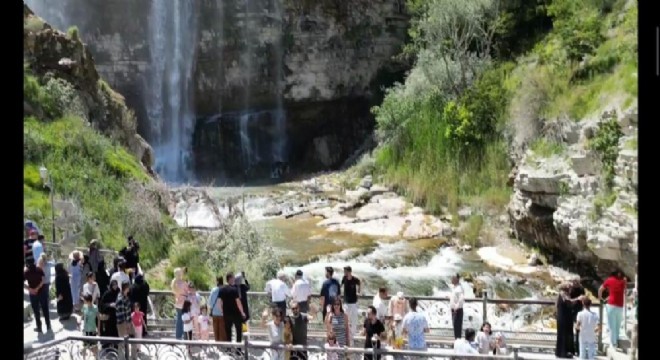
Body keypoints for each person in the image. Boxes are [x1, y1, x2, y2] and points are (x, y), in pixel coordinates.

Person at [598, 270, 627, 349]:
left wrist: (601, 298)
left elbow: (601, 289)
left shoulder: (609, 280)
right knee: (616, 325)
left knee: (613, 325)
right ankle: (615, 342)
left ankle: (614, 342)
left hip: (612, 305)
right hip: (619, 306)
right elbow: (625, 292)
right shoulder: (623, 281)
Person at [25, 262, 51, 333]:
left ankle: (39, 327)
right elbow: (43, 280)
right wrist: (37, 288)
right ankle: (48, 325)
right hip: (42, 292)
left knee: (36, 311)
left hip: (33, 294)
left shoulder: (26, 272)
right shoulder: (39, 269)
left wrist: (30, 289)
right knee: (45, 308)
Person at [222, 272, 247, 342]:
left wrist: (222, 311)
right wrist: (242, 313)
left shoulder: (222, 289)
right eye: (233, 277)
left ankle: (229, 349)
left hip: (226, 314)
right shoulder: (235, 289)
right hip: (236, 314)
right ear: (230, 279)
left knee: (228, 332)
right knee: (238, 331)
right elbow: (238, 303)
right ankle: (238, 350)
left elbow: (219, 302)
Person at [555, 283, 575, 358]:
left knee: (565, 334)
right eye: (570, 287)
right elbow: (568, 301)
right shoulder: (563, 293)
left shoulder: (565, 294)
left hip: (565, 316)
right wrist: (578, 299)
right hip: (563, 317)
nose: (571, 288)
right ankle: (563, 353)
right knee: (563, 334)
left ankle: (562, 352)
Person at [341, 266, 361, 340]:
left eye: (345, 271)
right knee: (345, 318)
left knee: (354, 319)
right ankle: (345, 334)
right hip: (346, 302)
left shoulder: (355, 279)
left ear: (349, 272)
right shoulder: (344, 278)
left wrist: (358, 292)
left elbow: (360, 283)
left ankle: (353, 335)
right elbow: (341, 285)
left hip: (354, 303)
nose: (344, 273)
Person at [99, 280, 120, 349]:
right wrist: (109, 305)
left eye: (116, 285)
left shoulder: (118, 292)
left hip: (116, 316)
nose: (115, 287)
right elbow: (102, 304)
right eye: (113, 285)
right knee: (108, 330)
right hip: (109, 316)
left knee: (115, 331)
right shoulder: (107, 293)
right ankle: (107, 345)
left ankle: (115, 345)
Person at [570, 278, 586, 356]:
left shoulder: (581, 288)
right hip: (570, 311)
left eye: (577, 281)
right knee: (570, 331)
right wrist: (577, 299)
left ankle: (578, 350)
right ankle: (571, 349)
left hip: (579, 312)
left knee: (578, 331)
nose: (575, 283)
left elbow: (583, 299)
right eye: (574, 281)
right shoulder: (570, 288)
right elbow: (568, 299)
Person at [208, 276, 227, 341]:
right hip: (222, 313)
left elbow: (210, 302)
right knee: (222, 329)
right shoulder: (224, 289)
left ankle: (217, 342)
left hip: (214, 312)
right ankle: (222, 343)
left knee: (216, 329)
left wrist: (210, 310)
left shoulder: (213, 290)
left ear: (217, 281)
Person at [171, 267, 188, 340]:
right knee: (184, 319)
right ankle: (185, 335)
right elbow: (187, 291)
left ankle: (178, 335)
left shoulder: (174, 283)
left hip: (177, 301)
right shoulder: (183, 283)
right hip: (184, 302)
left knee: (178, 319)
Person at [449, 274, 464, 339]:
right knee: (455, 327)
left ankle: (458, 342)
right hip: (454, 310)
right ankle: (457, 341)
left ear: (457, 279)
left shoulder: (459, 288)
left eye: (453, 278)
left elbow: (461, 298)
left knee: (457, 327)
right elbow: (455, 296)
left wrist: (456, 307)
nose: (451, 279)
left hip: (457, 310)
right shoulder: (455, 287)